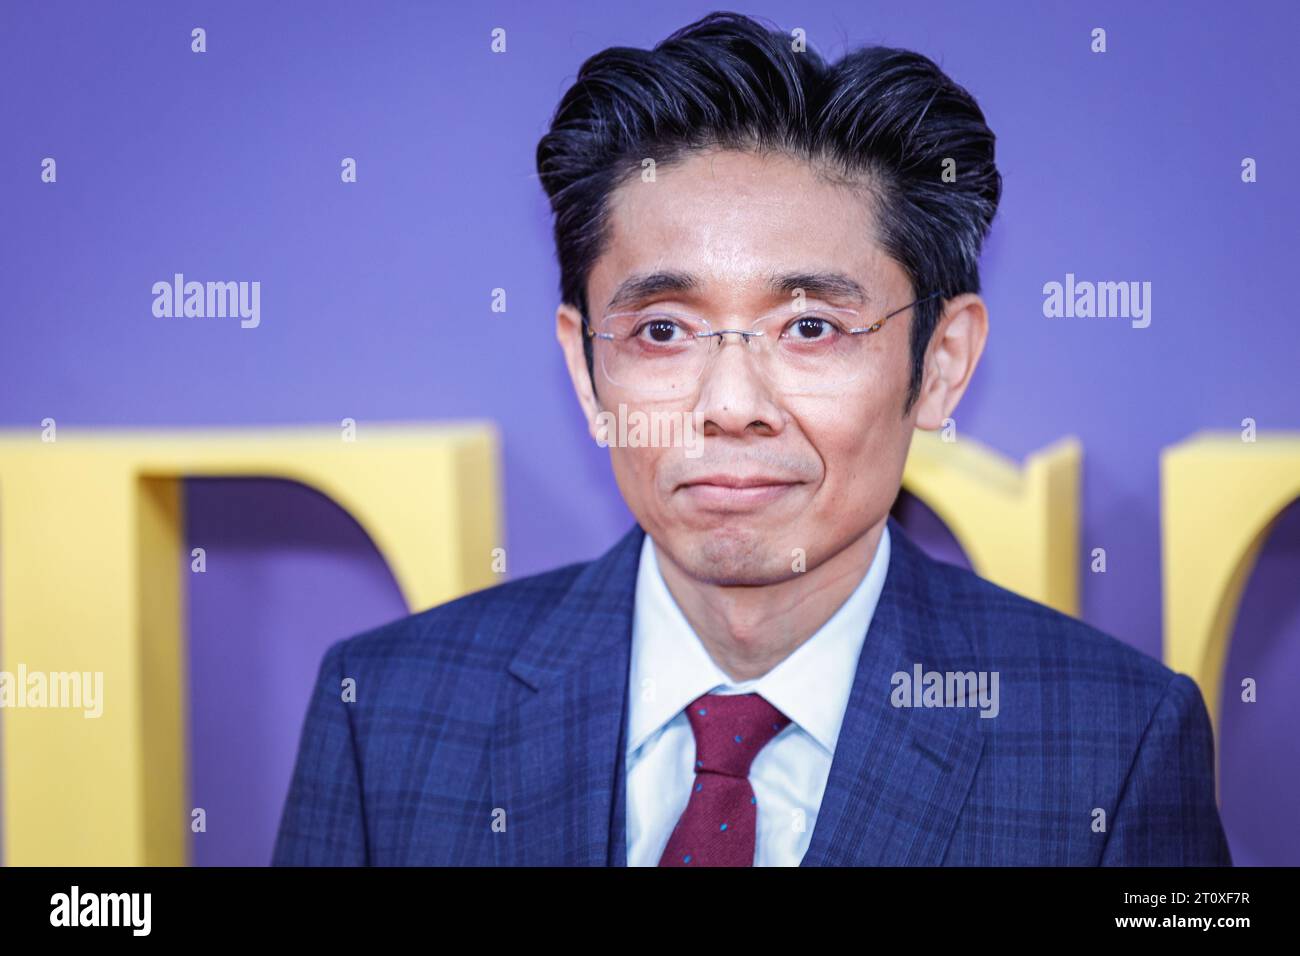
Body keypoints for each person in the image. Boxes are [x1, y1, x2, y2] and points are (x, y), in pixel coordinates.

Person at [272, 11, 1231, 866]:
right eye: (662, 331)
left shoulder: (1114, 743)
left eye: (810, 327)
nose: (731, 404)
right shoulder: (385, 714)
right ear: (585, 366)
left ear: (939, 363)